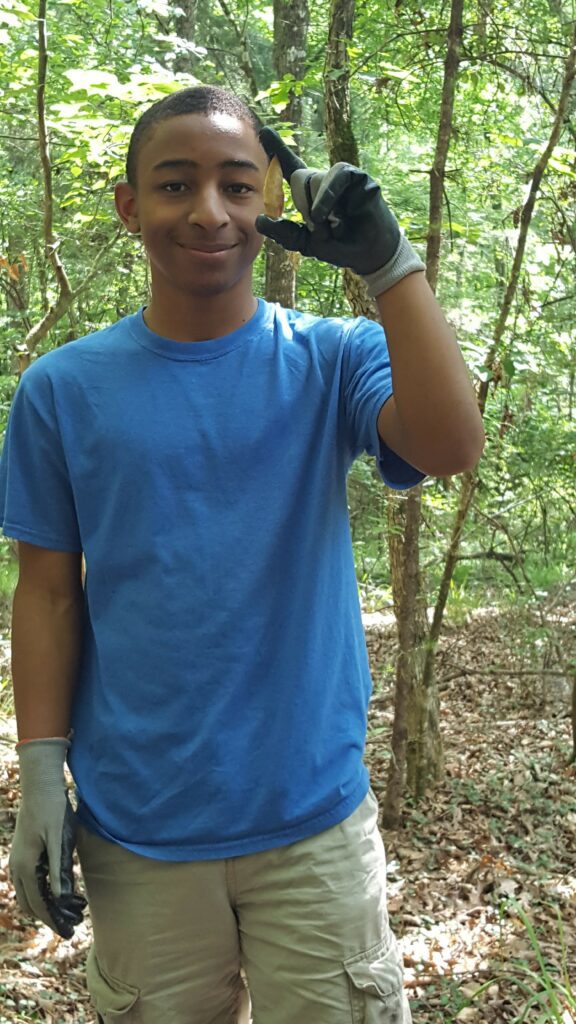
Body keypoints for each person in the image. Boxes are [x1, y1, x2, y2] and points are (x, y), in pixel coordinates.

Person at [0, 86, 484, 1023]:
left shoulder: (332, 357)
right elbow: (49, 594)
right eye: (175, 185)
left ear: (267, 201)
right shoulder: (61, 390)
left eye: (236, 185)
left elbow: (450, 444)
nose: (209, 212)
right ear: (130, 204)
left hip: (313, 821)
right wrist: (40, 780)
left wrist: (390, 265)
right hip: (138, 830)